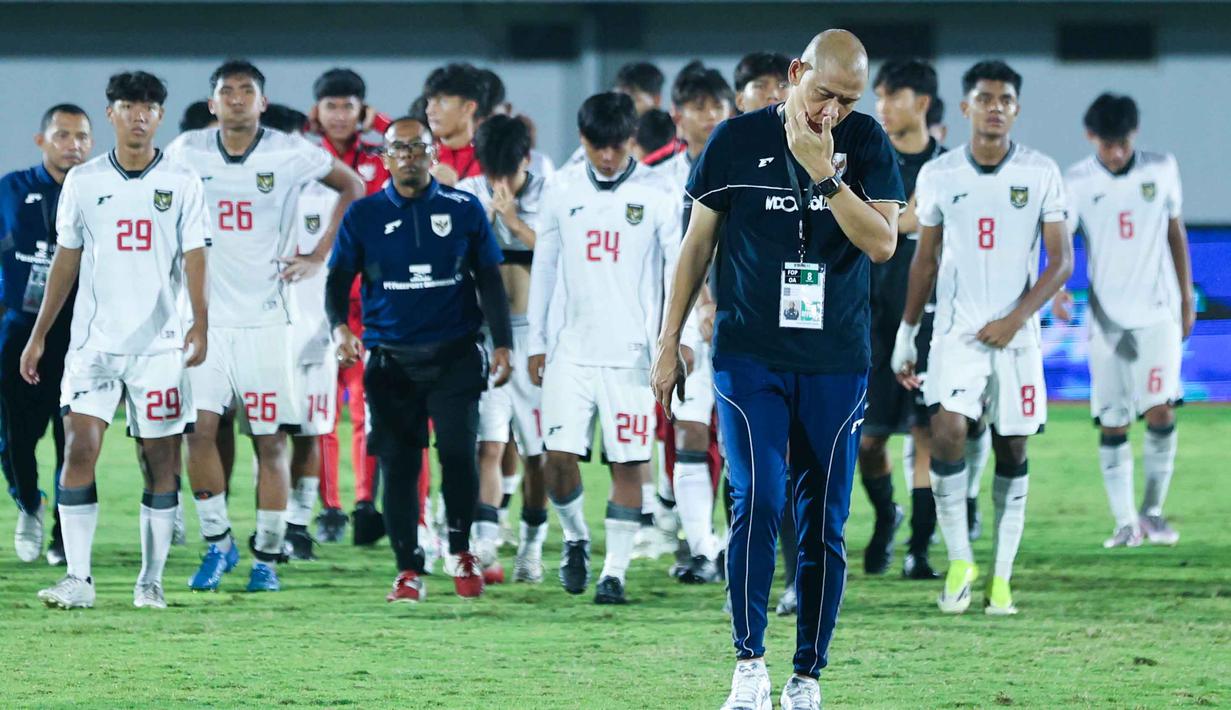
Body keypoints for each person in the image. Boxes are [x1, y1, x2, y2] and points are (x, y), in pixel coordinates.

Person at [652, 30, 903, 709]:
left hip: (834, 361)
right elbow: (695, 245)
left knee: (821, 519)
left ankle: (805, 677)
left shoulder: (869, 143)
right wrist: (667, 339)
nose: (833, 112)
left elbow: (882, 243)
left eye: (848, 100)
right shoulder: (731, 142)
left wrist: (823, 174)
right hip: (746, 356)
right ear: (796, 74)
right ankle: (748, 665)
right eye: (823, 94)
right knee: (757, 499)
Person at [167, 60, 364, 593]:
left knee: (269, 440)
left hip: (267, 320)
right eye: (226, 91)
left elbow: (354, 184)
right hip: (205, 320)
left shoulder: (290, 151)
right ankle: (218, 545)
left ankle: (268, 559)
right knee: (200, 433)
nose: (235, 99)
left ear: (262, 101)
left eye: (245, 91)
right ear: (212, 105)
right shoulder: (187, 151)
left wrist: (319, 253)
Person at [892, 60, 1073, 617]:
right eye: (985, 98)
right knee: (946, 431)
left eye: (1006, 99)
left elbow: (1061, 262)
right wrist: (907, 330)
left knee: (1012, 446)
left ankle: (1002, 577)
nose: (995, 107)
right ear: (967, 107)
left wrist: (1016, 319)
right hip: (956, 334)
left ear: (1016, 110)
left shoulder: (1042, 172)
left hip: (1014, 339)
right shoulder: (941, 175)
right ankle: (962, 561)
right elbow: (924, 258)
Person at [22, 70, 209, 609]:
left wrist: (201, 321)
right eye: (129, 104)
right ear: (111, 113)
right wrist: (39, 337)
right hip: (93, 345)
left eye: (149, 105)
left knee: (160, 462)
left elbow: (196, 256)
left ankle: (150, 580)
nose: (139, 114)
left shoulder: (183, 181)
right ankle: (78, 579)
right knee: (80, 447)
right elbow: (66, 259)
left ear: (160, 115)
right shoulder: (83, 182)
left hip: (160, 347)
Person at [327, 117, 513, 603]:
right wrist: (339, 327)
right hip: (391, 361)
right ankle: (408, 569)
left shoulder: (465, 209)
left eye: (417, 148)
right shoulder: (363, 215)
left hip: (455, 355)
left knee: (457, 455)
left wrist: (504, 343)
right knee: (400, 464)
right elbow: (337, 278)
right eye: (398, 148)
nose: (408, 156)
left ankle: (461, 549)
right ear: (384, 158)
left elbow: (490, 278)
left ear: (434, 156)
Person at [528, 91, 685, 606]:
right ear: (583, 141)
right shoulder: (561, 189)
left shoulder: (659, 191)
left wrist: (670, 342)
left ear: (630, 141)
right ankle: (575, 537)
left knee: (628, 463)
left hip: (632, 355)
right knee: (556, 458)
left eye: (617, 146)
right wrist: (537, 339)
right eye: (599, 146)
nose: (608, 156)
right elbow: (545, 267)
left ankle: (613, 573)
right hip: (570, 352)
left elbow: (674, 272)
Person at [1056, 93, 1193, 548]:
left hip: (1158, 315)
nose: (1116, 152)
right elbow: (1063, 242)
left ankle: (1153, 512)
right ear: (1090, 137)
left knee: (1160, 408)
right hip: (1106, 322)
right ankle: (1124, 521)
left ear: (1134, 135)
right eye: (1107, 143)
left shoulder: (1162, 168)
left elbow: (1176, 231)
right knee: (1113, 420)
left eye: (1123, 142)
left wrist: (1186, 301)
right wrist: (1057, 289)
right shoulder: (1075, 180)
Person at [308, 67, 402, 547]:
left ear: (361, 111)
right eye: (332, 105)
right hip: (313, 303)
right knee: (322, 409)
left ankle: (367, 501)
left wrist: (379, 120)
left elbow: (407, 144)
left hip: (369, 303)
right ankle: (330, 506)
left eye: (349, 106)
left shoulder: (378, 156)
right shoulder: (302, 157)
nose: (340, 115)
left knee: (366, 407)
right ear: (317, 111)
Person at [457, 114, 550, 584]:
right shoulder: (468, 193)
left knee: (539, 454)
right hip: (487, 335)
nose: (498, 183)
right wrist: (486, 224)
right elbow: (456, 258)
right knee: (488, 445)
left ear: (526, 161)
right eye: (490, 173)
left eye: (507, 174)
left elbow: (562, 255)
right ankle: (486, 540)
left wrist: (512, 221)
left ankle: (531, 548)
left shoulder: (551, 191)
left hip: (536, 337)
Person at [865, 58, 949, 578]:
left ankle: (919, 547)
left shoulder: (947, 167)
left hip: (933, 320)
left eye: (892, 96)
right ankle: (885, 518)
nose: (882, 107)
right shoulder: (869, 159)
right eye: (879, 97)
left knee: (927, 434)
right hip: (869, 318)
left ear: (921, 102)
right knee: (869, 441)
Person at [651, 61, 734, 584]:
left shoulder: (743, 163)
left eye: (716, 107)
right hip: (681, 322)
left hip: (739, 319)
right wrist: (685, 317)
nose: (709, 117)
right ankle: (701, 546)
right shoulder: (654, 176)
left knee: (740, 441)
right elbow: (672, 252)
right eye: (698, 107)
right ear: (677, 115)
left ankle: (733, 542)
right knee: (687, 432)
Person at [1, 104, 93, 566]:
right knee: (15, 436)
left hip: (79, 335)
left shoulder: (100, 191)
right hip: (19, 329)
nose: (72, 145)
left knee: (72, 436)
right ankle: (28, 505)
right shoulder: (10, 190)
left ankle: (61, 531)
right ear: (42, 141)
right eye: (62, 135)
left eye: (81, 137)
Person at [423, 63, 486, 186]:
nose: (429, 110)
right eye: (429, 101)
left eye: (442, 101)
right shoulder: (418, 157)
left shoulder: (491, 160)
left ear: (468, 108)